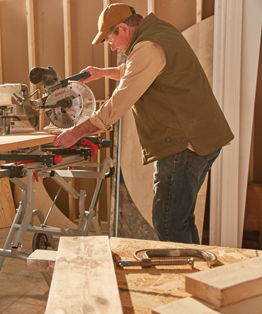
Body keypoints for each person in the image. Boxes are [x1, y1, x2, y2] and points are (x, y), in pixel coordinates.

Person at [51, 3, 234, 244]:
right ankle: (196, 276)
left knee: (168, 223)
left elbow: (121, 100)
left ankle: (180, 278)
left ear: (124, 29)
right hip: (203, 138)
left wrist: (76, 132)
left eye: (110, 39)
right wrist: (103, 72)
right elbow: (138, 69)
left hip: (183, 144)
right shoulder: (159, 31)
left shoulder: (148, 46)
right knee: (182, 219)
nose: (112, 46)